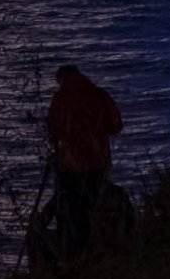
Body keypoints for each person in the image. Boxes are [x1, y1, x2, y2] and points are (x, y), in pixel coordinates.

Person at [46, 63, 123, 258]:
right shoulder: (99, 95)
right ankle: (98, 247)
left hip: (69, 164)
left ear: (61, 79)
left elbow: (52, 131)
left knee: (70, 208)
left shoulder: (60, 99)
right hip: (98, 161)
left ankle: (72, 251)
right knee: (95, 203)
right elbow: (115, 126)